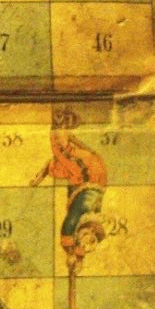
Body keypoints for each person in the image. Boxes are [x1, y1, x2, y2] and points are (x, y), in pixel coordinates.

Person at [30, 108, 108, 272]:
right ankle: (60, 123)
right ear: (90, 230)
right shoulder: (81, 212)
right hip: (89, 174)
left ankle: (62, 128)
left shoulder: (88, 218)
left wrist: (78, 257)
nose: (83, 241)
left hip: (89, 179)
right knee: (62, 151)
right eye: (89, 239)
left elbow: (79, 238)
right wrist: (70, 252)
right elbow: (67, 227)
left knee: (62, 165)